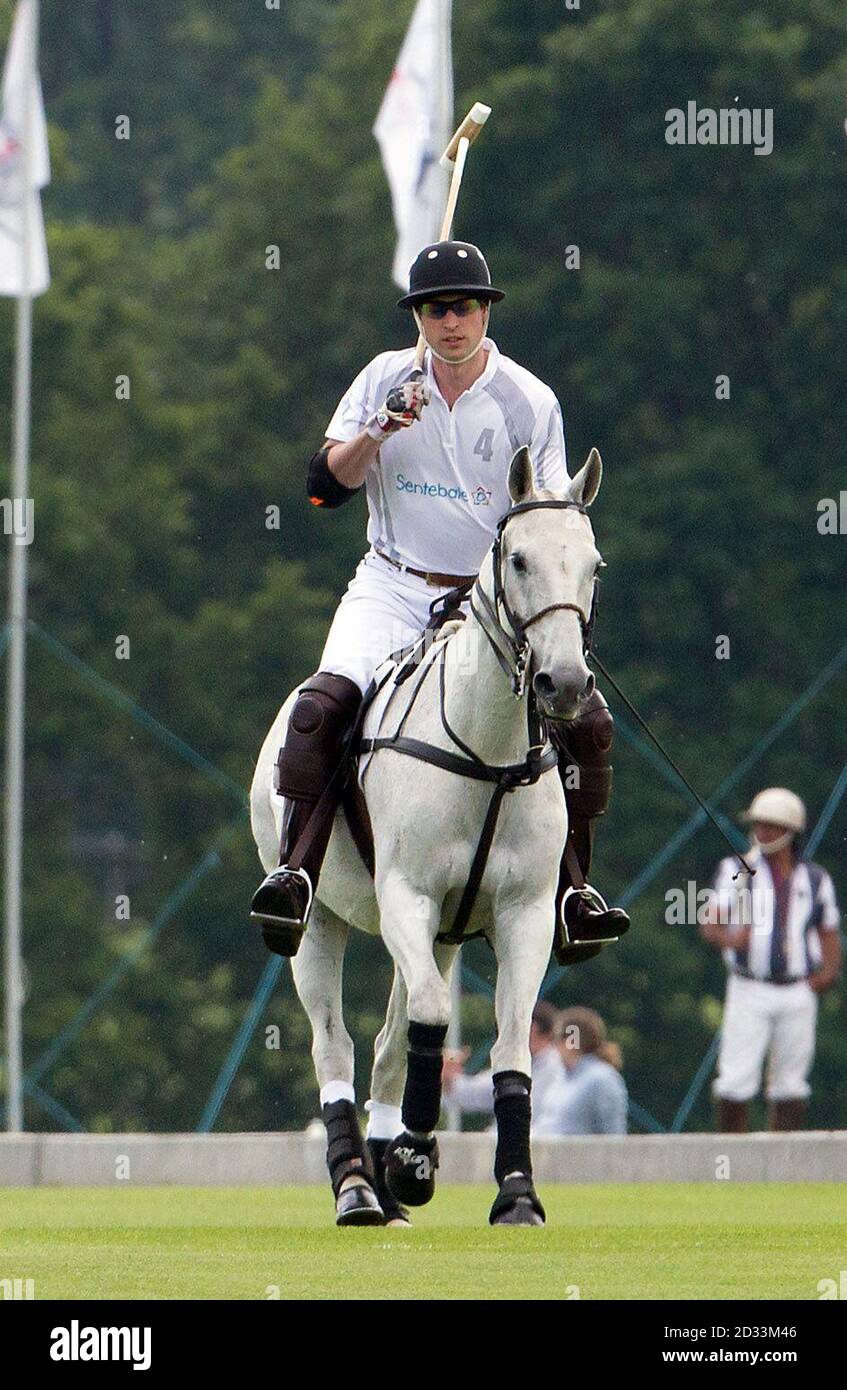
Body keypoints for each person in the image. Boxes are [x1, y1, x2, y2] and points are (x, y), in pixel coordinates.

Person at [249, 239, 630, 965]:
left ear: (485, 311)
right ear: (417, 316)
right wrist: (379, 429)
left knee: (586, 724)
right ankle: (295, 870)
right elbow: (322, 487)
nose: (449, 321)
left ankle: (573, 892)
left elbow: (550, 513)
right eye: (433, 308)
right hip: (393, 585)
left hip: (491, 603)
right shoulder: (384, 379)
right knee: (321, 706)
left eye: (462, 306)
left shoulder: (528, 399)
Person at [701, 787, 841, 1132]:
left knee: (791, 1083)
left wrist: (829, 972)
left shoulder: (815, 878)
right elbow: (710, 922)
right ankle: (732, 1161)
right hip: (750, 985)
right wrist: (730, 939)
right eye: (759, 825)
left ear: (790, 832)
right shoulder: (736, 870)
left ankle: (784, 1164)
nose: (762, 833)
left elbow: (828, 930)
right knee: (735, 1078)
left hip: (797, 989)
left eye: (771, 826)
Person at [441, 1001, 564, 1120]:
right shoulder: (522, 1063)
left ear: (532, 1028)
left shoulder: (555, 1066)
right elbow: (476, 1092)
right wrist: (446, 1078)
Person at [533, 1006, 628, 1135]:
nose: (553, 1046)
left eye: (556, 1038)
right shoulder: (562, 1076)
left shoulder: (602, 1078)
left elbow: (613, 1134)